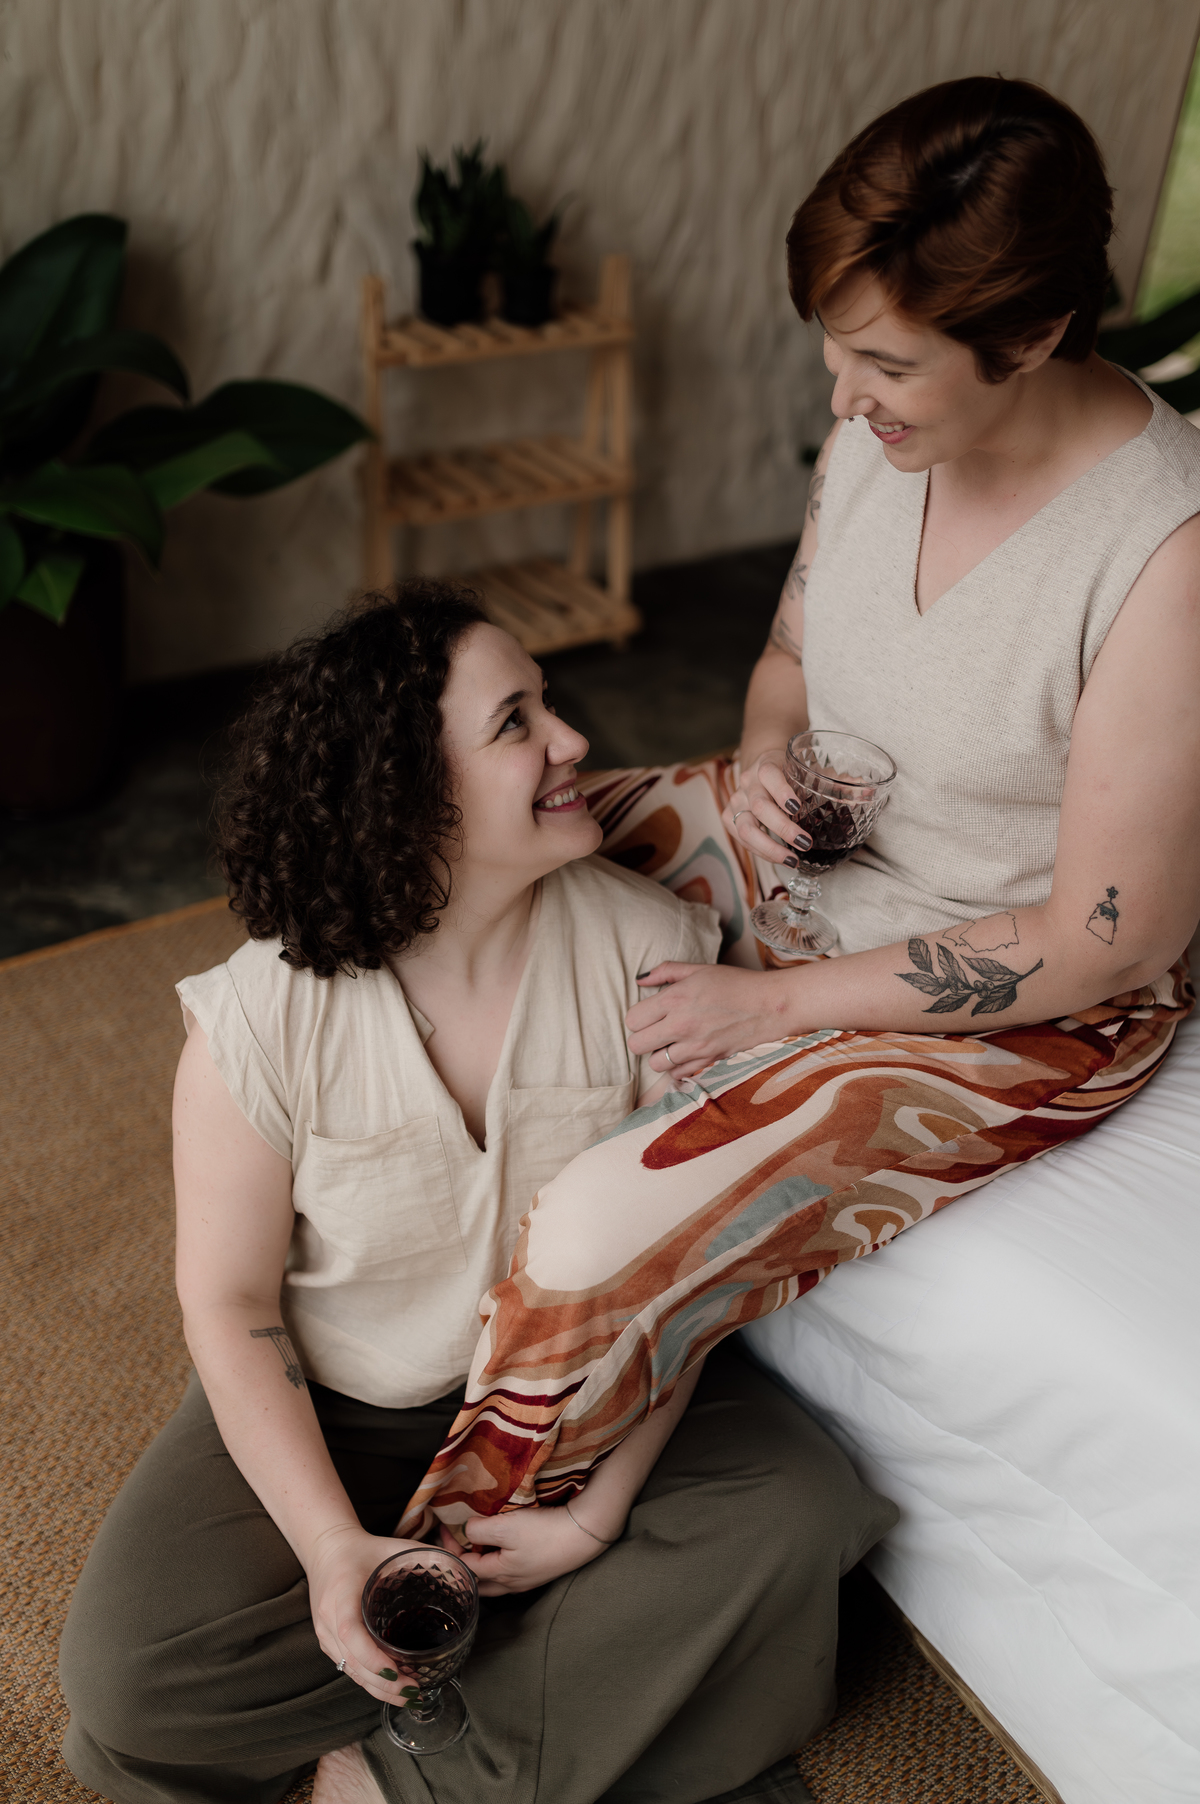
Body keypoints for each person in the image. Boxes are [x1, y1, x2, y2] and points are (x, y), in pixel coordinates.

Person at [400, 75, 1200, 1549]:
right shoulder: (878, 442)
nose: (842, 398)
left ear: (1032, 334)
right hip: (818, 854)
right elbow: (785, 665)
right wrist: (767, 760)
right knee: (459, 834)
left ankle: (431, 1579)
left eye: (885, 364)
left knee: (595, 1231)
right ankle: (315, 1168)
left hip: (1027, 994)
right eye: (836, 352)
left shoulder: (1165, 551)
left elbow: (1109, 942)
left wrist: (773, 1011)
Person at [58, 582, 897, 1804]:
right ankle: (575, 1672)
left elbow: (682, 1278)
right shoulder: (256, 1015)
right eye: (517, 722)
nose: (574, 740)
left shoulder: (652, 953)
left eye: (548, 704)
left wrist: (596, 1519)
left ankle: (401, 1773)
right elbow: (230, 1309)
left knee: (798, 1511)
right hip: (343, 1411)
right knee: (129, 1681)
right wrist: (332, 1550)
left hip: (583, 1407)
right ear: (407, 792)